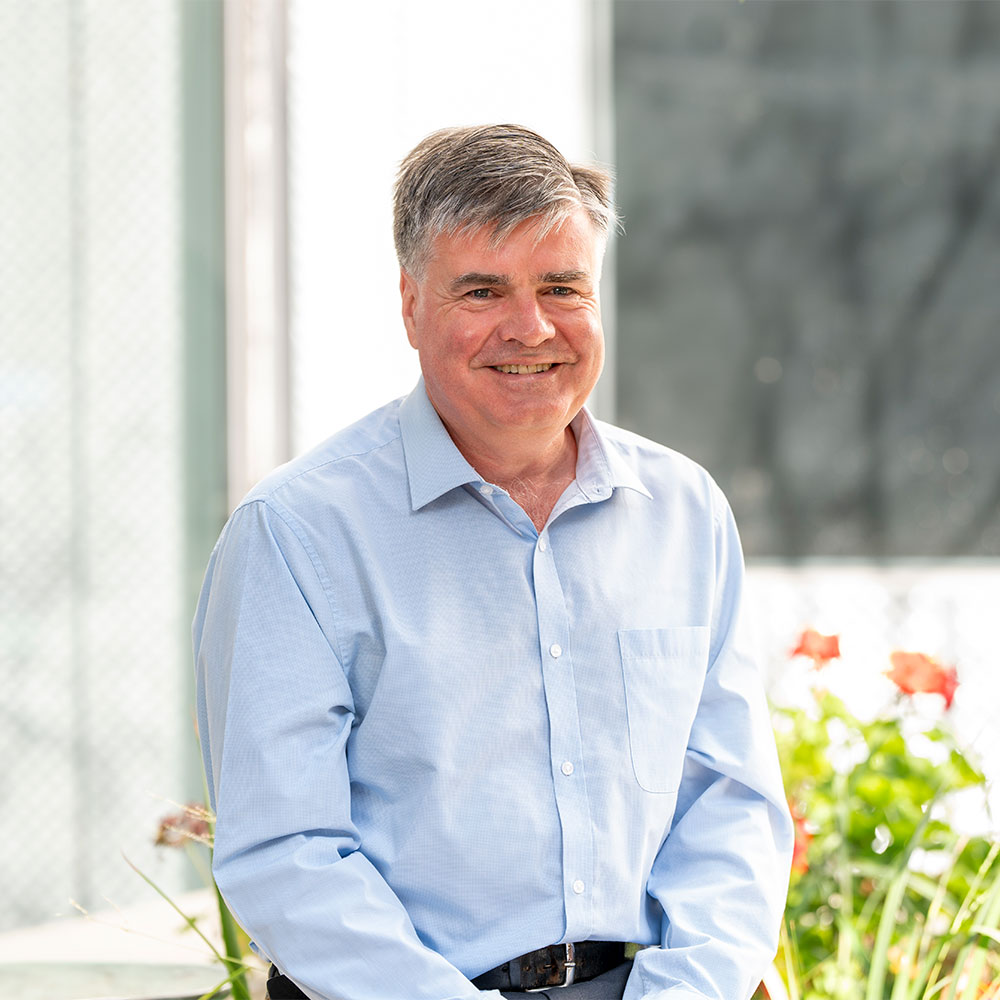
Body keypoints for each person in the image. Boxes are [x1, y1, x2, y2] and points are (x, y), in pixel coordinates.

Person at [194, 124, 793, 1000]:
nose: (531, 326)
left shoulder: (684, 513)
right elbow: (285, 849)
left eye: (562, 286)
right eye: (483, 290)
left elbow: (730, 804)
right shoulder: (297, 533)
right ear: (410, 305)